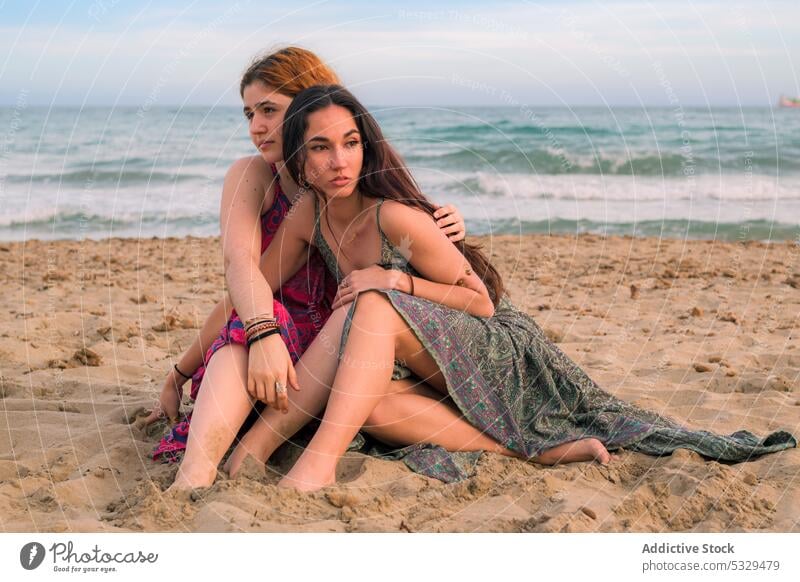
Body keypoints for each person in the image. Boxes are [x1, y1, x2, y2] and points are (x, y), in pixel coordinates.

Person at [185, 83, 795, 492]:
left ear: (365, 146)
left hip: (490, 344)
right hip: (415, 355)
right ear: (299, 157)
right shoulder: (307, 217)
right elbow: (251, 290)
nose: (339, 161)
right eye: (320, 148)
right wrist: (183, 368)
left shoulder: (394, 216)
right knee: (365, 401)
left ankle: (309, 467)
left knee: (368, 300)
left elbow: (480, 301)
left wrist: (393, 277)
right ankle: (531, 453)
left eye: (350, 144)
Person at [138, 47, 468, 473]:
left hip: (348, 350)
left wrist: (449, 223)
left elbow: (411, 245)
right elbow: (244, 274)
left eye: (269, 110)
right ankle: (195, 478)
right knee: (253, 324)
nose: (256, 127)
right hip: (270, 344)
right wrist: (182, 373)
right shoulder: (255, 175)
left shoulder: (352, 176)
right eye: (248, 114)